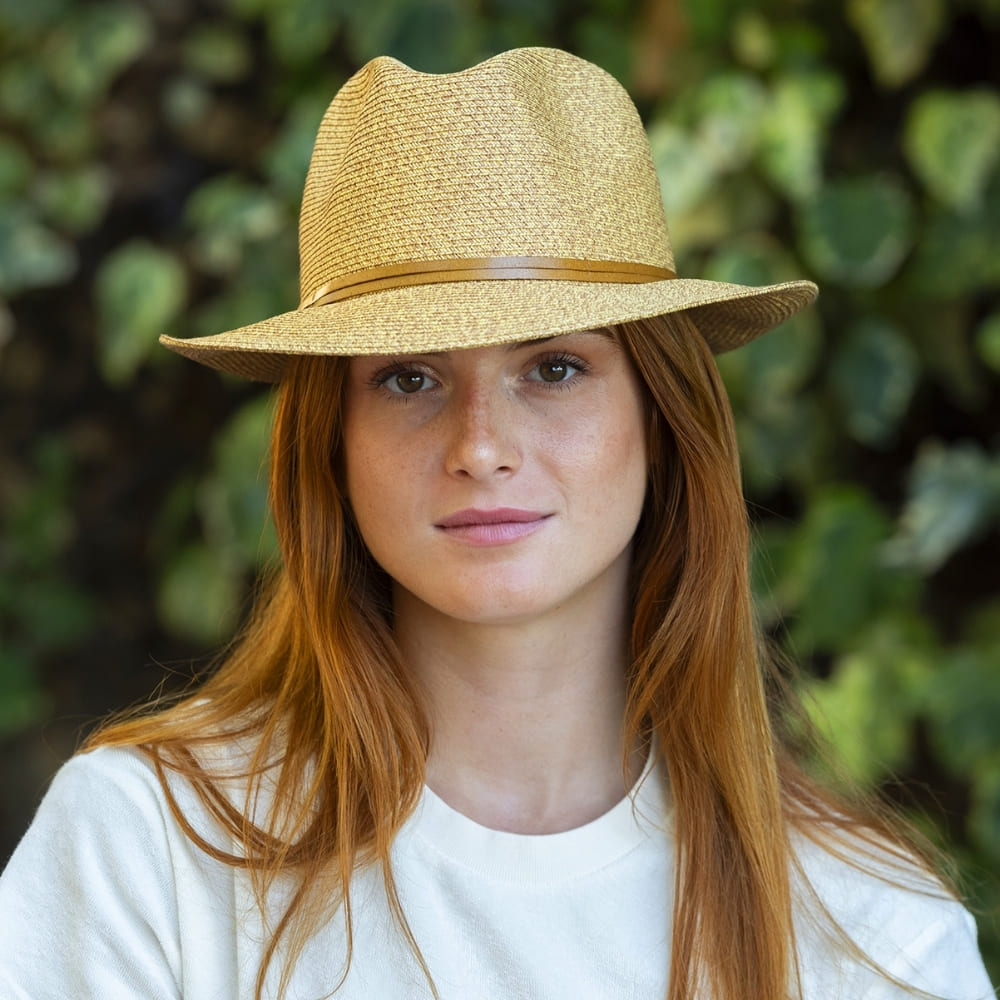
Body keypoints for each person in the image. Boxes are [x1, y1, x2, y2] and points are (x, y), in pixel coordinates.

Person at [0, 47, 993, 1000]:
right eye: (409, 378)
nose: (480, 445)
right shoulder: (148, 852)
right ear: (332, 443)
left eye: (554, 368)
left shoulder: (870, 934)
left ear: (659, 419)